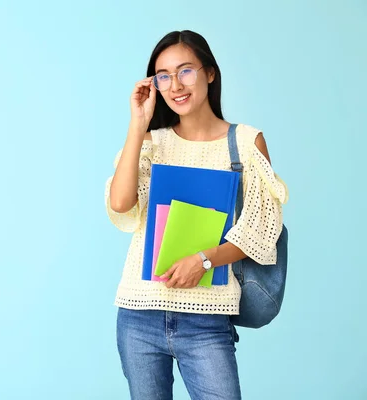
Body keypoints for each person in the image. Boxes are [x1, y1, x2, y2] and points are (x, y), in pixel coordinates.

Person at [104, 30, 288, 400]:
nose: (175, 85)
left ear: (210, 73)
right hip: (139, 313)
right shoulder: (152, 142)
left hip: (206, 318)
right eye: (163, 76)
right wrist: (138, 126)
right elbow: (121, 203)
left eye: (185, 70)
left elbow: (258, 230)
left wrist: (204, 261)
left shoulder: (246, 143)